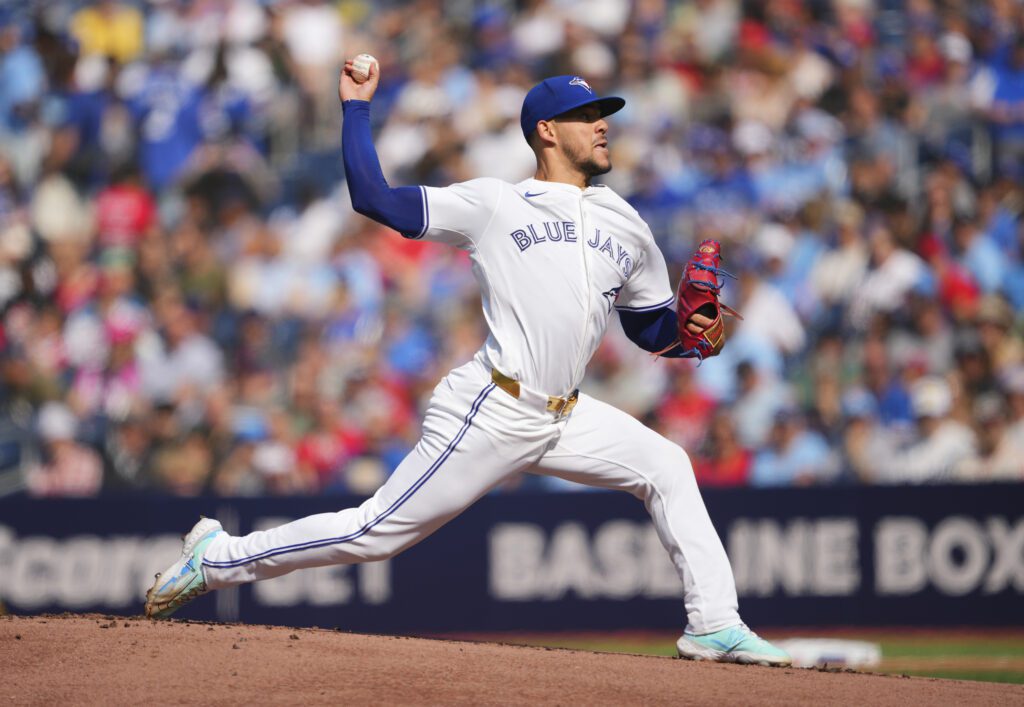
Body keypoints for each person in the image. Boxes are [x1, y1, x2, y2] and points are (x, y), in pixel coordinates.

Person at [145, 60, 791, 667]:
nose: (602, 123)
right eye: (586, 114)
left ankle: (713, 620)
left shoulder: (628, 222)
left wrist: (695, 330)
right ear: (546, 130)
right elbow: (376, 199)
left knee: (668, 465)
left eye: (604, 113)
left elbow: (652, 330)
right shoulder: (495, 204)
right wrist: (355, 109)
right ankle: (217, 556)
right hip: (494, 405)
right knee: (373, 532)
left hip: (565, 414)